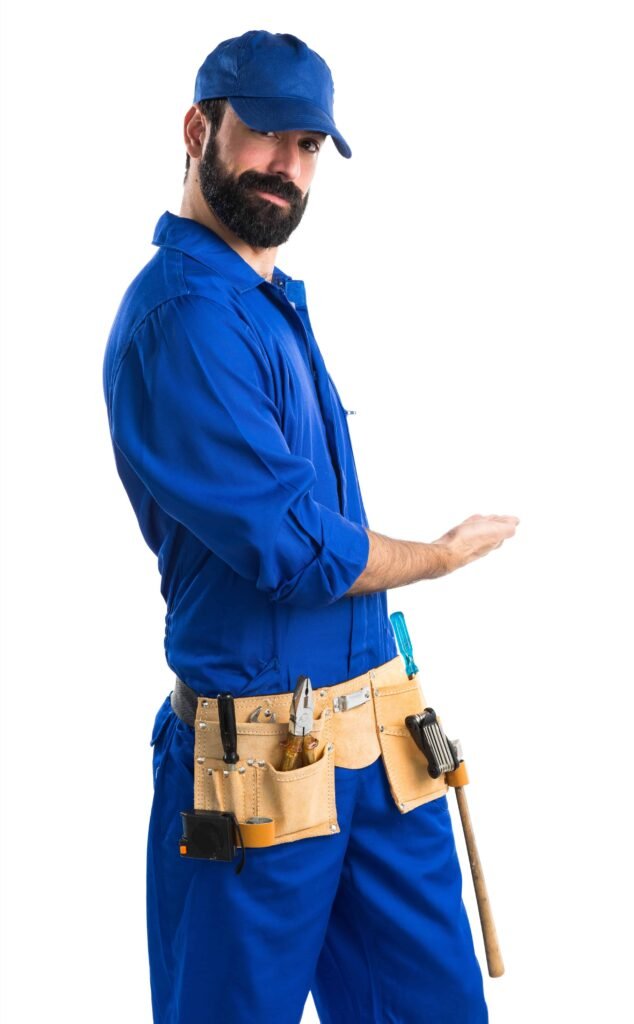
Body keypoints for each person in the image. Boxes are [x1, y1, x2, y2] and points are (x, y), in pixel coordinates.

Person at [102, 29, 519, 1024]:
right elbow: (294, 549)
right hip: (259, 770)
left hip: (379, 744)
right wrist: (436, 558)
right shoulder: (187, 317)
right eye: (264, 135)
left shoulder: (263, 302)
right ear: (198, 129)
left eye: (308, 145)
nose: (286, 165)